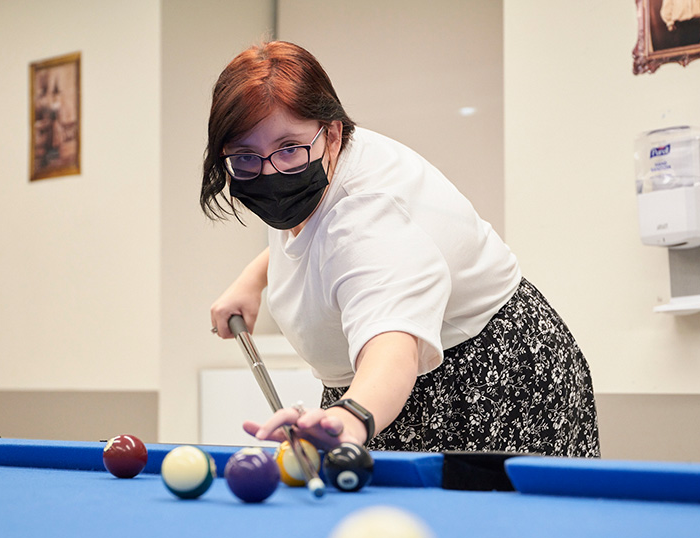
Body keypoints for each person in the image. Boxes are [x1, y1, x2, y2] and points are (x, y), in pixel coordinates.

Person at [203, 41, 599, 457]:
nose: (270, 171)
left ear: (332, 134)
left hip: (489, 382)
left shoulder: (370, 214)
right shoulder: (315, 158)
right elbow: (316, 238)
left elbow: (391, 340)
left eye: (288, 150)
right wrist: (253, 280)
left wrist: (351, 416)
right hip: (383, 392)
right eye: (246, 157)